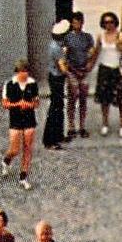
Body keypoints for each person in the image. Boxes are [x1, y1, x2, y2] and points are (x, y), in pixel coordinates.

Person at [1, 60, 40, 191]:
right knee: (14, 149)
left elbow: (36, 103)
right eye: (22, 72)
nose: (24, 74)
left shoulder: (32, 84)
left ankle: (23, 177)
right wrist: (18, 104)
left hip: (29, 119)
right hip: (16, 119)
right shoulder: (10, 84)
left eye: (26, 71)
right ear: (17, 72)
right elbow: (5, 104)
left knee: (28, 148)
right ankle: (6, 160)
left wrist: (28, 105)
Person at [93, 12, 122, 137]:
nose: (109, 24)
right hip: (104, 69)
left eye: (111, 22)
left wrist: (121, 47)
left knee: (121, 100)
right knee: (104, 99)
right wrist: (89, 65)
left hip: (117, 69)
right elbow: (96, 52)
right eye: (106, 22)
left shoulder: (121, 35)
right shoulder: (101, 36)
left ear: (115, 22)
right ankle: (105, 123)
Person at [61, 11, 96, 139]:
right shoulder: (68, 38)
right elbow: (64, 56)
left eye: (80, 22)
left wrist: (89, 65)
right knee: (72, 97)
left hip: (83, 70)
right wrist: (72, 69)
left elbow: (92, 52)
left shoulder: (87, 37)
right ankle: (71, 126)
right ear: (72, 23)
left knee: (83, 98)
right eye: (75, 22)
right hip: (73, 71)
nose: (78, 25)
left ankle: (82, 126)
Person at [43, 19, 70, 150]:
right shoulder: (57, 48)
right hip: (57, 78)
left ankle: (58, 135)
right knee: (56, 107)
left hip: (53, 77)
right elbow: (62, 68)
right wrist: (70, 72)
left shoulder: (54, 45)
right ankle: (50, 139)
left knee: (59, 106)